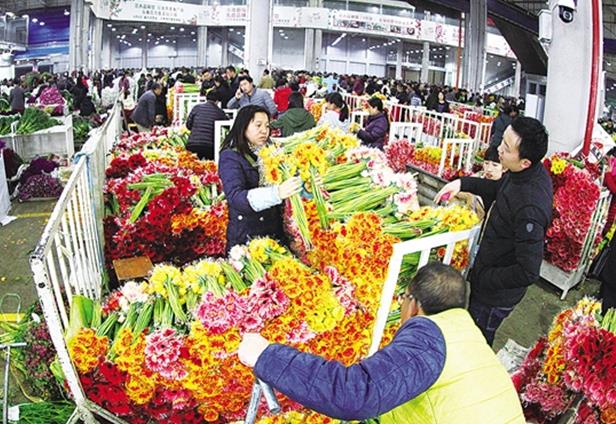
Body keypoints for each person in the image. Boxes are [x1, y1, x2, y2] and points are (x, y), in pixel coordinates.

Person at [238, 262, 525, 423]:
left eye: (403, 299)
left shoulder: (429, 338)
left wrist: (266, 356)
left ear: (414, 305)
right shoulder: (467, 333)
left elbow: (355, 393)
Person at [434, 117, 553, 345]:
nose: (499, 149)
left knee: (476, 341)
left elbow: (528, 271)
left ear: (525, 162)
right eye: (502, 141)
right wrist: (462, 184)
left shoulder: (530, 207)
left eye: (506, 148)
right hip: (488, 272)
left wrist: (484, 277)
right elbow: (500, 189)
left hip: (494, 295)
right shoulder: (524, 173)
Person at [218, 105, 302, 250]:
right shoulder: (231, 156)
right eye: (258, 125)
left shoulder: (273, 152)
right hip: (247, 235)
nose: (264, 130)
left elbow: (288, 182)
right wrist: (276, 193)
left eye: (267, 126)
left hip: (274, 232)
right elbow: (236, 197)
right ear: (243, 127)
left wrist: (303, 185)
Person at [185, 90, 228, 160]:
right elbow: (227, 126)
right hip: (209, 147)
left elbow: (188, 125)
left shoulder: (196, 108)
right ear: (217, 101)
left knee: (192, 164)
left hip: (192, 144)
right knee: (209, 165)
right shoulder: (220, 112)